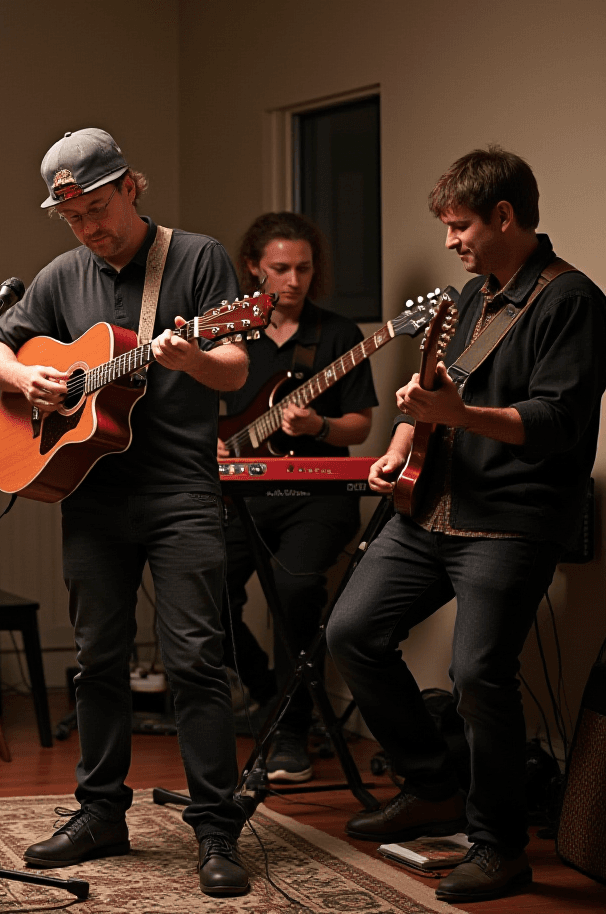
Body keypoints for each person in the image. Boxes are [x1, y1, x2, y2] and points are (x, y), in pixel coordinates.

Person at [326, 147, 606, 903]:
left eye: (460, 227)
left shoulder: (571, 300)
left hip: (509, 523)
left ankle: (499, 846)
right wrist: (395, 444)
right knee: (350, 633)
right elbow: (428, 393)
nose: (451, 241)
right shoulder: (470, 298)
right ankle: (431, 785)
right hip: (429, 511)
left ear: (505, 217)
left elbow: (557, 421)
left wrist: (459, 414)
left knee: (479, 675)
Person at [0, 128, 252, 897]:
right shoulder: (62, 273)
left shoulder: (197, 260)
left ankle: (215, 828)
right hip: (91, 493)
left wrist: (191, 356)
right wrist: (30, 383)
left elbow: (233, 368)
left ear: (133, 186)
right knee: (96, 657)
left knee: (195, 658)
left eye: (99, 208)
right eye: (74, 218)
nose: (90, 228)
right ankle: (100, 812)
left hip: (179, 491)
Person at [218, 213, 376, 786]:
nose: (293, 279)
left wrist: (319, 428)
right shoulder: (230, 330)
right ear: (254, 267)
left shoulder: (337, 337)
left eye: (304, 268)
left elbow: (359, 427)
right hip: (241, 492)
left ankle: (291, 733)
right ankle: (267, 696)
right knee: (207, 592)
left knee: (297, 590)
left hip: (316, 492)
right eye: (280, 268)